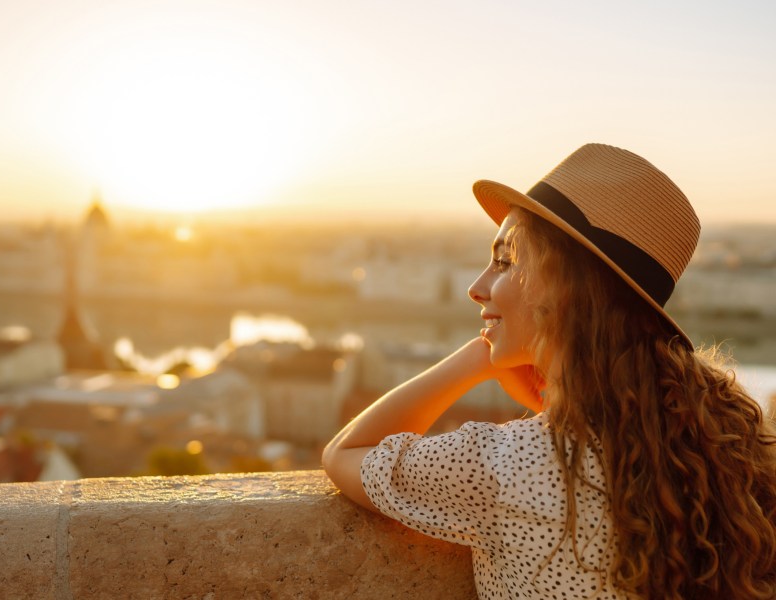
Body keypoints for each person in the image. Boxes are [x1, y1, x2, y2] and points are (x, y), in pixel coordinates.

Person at [322, 143, 776, 599]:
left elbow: (346, 453)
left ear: (564, 289)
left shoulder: (511, 466)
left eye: (503, 262)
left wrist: (475, 359)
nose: (476, 288)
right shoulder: (722, 445)